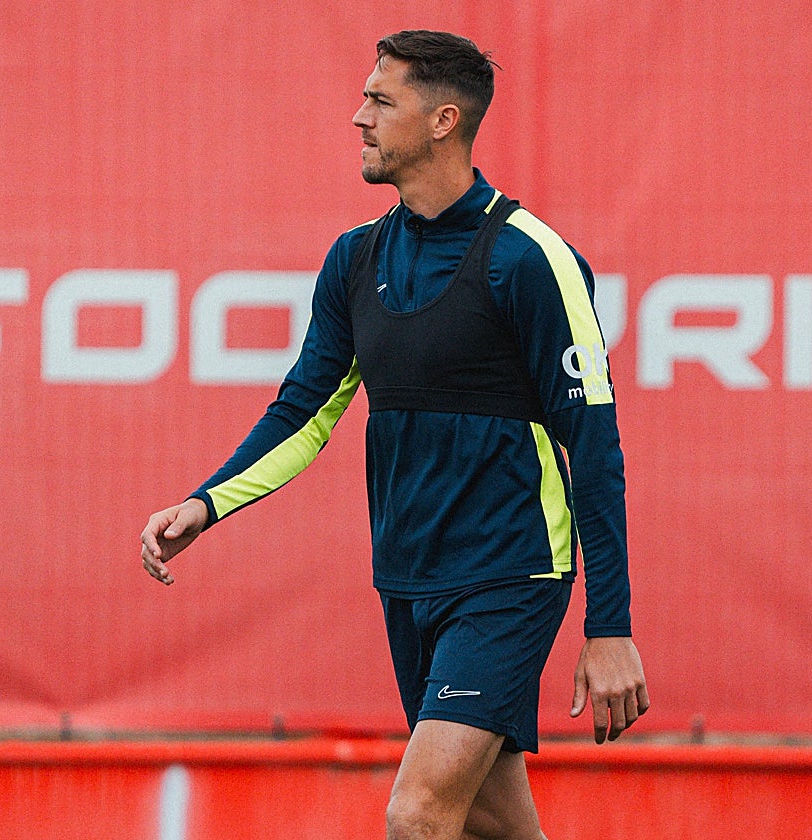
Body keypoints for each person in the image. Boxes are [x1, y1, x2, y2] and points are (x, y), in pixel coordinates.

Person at [141, 29, 648, 840]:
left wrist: (609, 626)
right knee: (494, 823)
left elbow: (594, 446)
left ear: (443, 119)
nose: (357, 118)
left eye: (380, 101)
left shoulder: (531, 259)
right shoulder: (354, 259)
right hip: (408, 580)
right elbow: (303, 413)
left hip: (512, 575)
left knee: (417, 816)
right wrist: (205, 505)